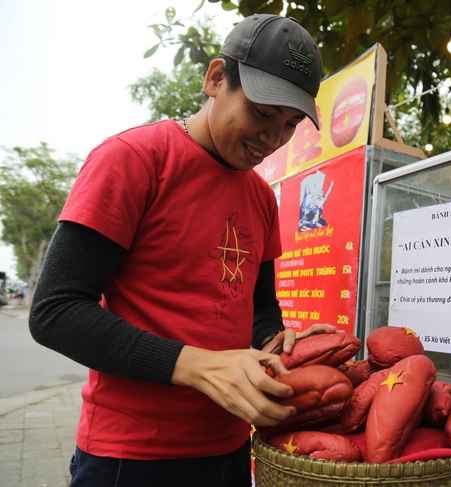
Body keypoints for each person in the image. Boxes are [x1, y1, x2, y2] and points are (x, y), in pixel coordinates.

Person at [29, 14, 332, 487]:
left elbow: (259, 309)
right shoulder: (133, 159)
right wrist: (198, 366)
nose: (272, 140)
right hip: (130, 457)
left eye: (290, 124)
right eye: (261, 113)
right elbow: (55, 310)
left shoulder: (260, 197)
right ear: (215, 79)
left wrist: (279, 342)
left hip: (232, 448)